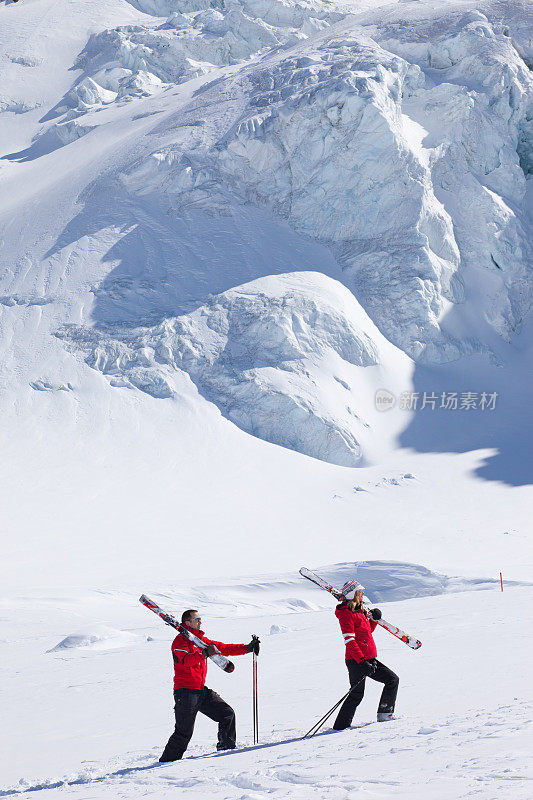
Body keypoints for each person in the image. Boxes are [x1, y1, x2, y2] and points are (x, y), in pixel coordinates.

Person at [159, 609, 260, 762]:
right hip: (185, 693)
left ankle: (225, 750)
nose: (200, 622)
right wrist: (204, 654)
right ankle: (166, 763)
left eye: (200, 619)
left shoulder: (201, 641)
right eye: (197, 619)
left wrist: (247, 648)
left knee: (227, 714)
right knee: (184, 733)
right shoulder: (180, 642)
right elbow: (185, 661)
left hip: (200, 690)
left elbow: (224, 648)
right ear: (187, 623)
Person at [332, 579, 399, 729]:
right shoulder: (346, 614)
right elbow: (349, 640)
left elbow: (366, 632)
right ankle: (340, 727)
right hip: (356, 661)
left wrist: (374, 620)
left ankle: (385, 715)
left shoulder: (360, 611)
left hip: (368, 659)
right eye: (360, 591)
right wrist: (362, 662)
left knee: (392, 680)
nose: (363, 593)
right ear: (354, 594)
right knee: (356, 695)